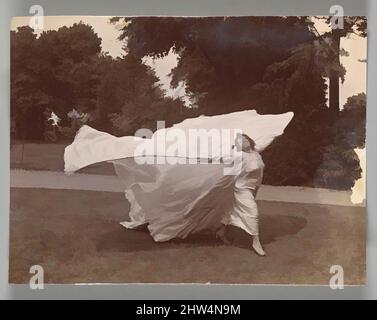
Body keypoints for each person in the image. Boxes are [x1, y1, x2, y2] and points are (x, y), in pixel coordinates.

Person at [216, 133, 266, 256]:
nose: (244, 141)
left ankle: (221, 231)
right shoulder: (240, 155)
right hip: (241, 187)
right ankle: (256, 241)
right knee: (253, 212)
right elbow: (224, 159)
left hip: (252, 187)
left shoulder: (255, 154)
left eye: (245, 139)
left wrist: (256, 188)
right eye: (240, 141)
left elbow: (259, 173)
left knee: (231, 209)